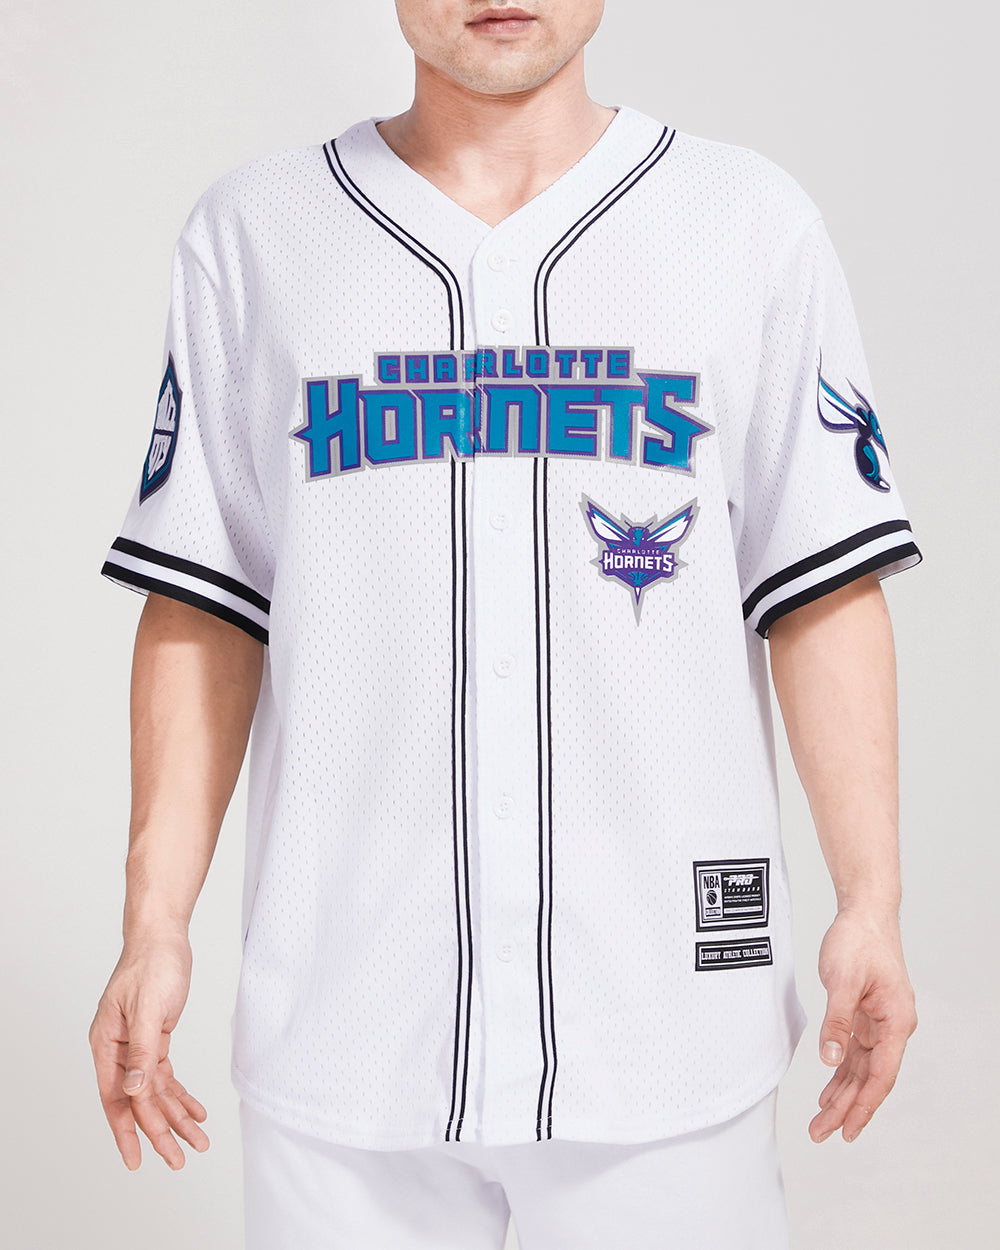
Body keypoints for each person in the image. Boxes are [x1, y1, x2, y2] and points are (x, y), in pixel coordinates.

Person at [89, 2, 920, 1246]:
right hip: (345, 1013)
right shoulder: (258, 233)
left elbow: (819, 584)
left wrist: (871, 898)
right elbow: (205, 604)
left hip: (662, 1013)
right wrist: (152, 923)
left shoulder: (744, 222)